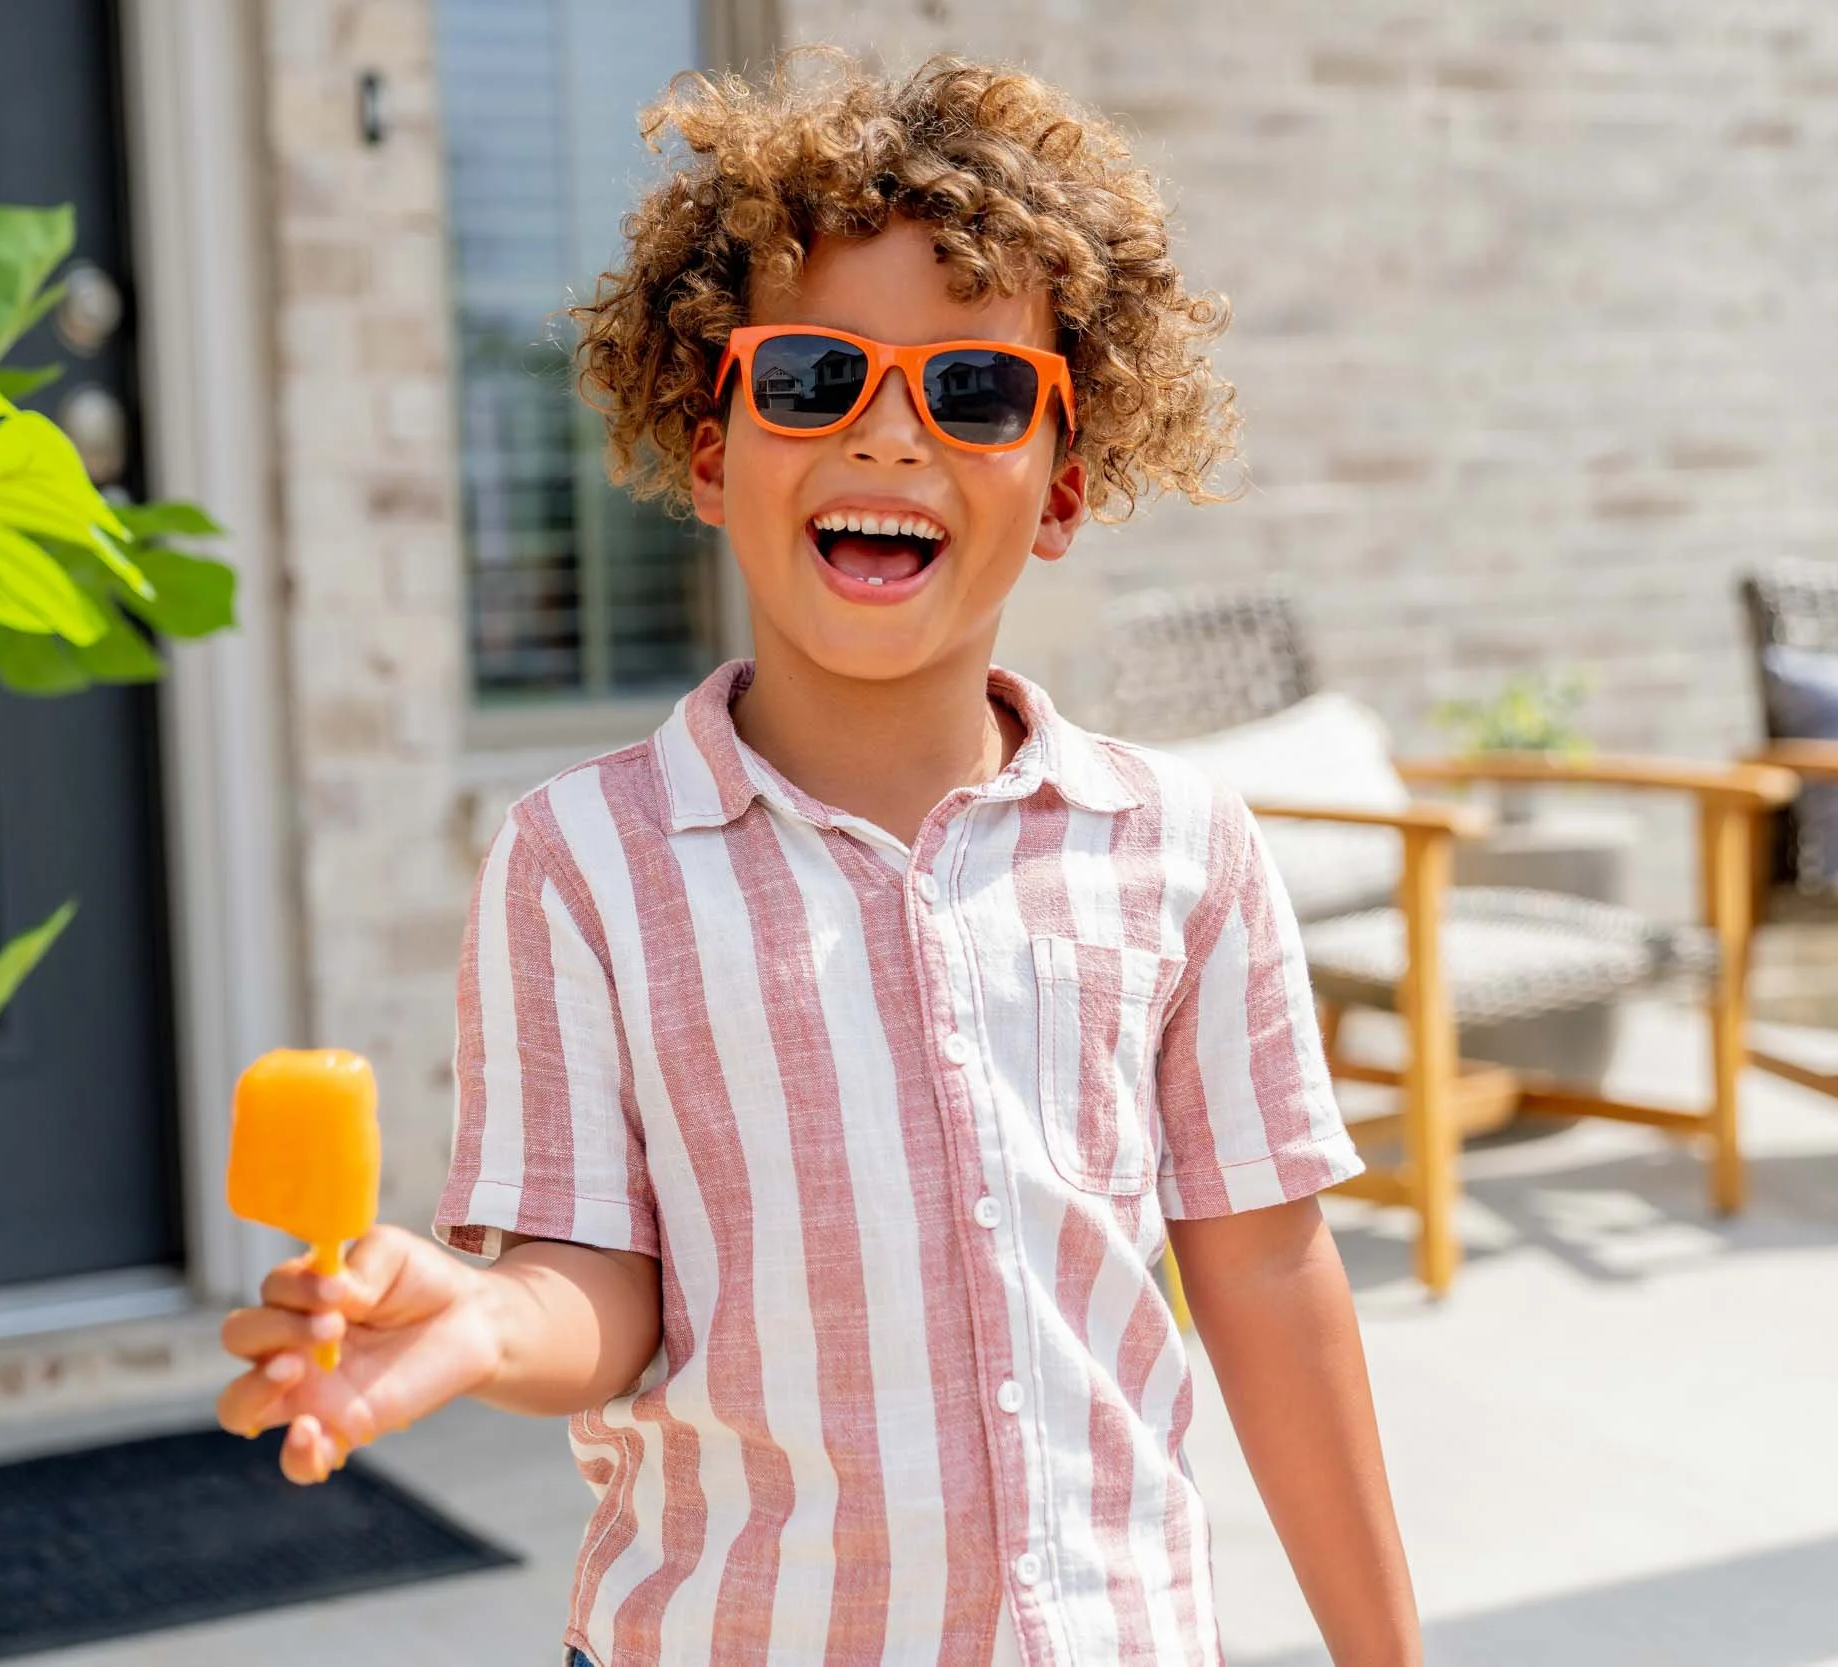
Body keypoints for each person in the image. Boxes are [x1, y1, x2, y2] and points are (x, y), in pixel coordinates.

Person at [218, 53, 1421, 1667]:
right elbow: (595, 1280)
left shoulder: (1179, 848)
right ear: (709, 453)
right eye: (809, 380)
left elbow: (1268, 1273)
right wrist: (488, 1312)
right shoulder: (582, 864)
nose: (890, 437)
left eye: (975, 392)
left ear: (1063, 485)